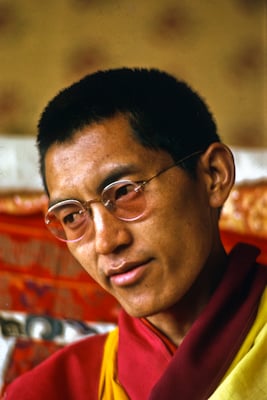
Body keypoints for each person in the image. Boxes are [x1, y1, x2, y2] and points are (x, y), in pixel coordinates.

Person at [2, 68, 267, 399]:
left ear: (213, 176)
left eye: (125, 192)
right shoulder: (48, 391)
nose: (105, 242)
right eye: (72, 216)